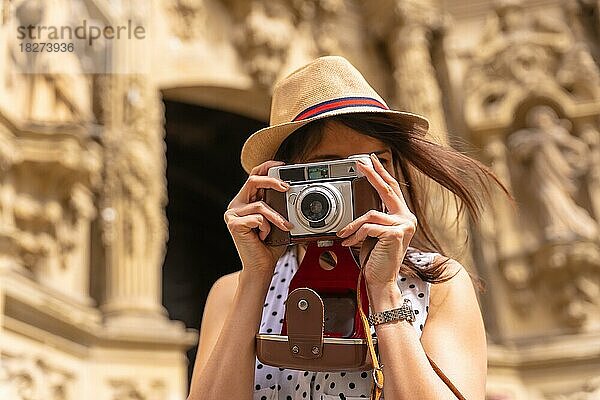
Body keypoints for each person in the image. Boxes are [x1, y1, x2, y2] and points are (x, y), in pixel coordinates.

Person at [187, 56, 507, 400]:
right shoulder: (232, 292)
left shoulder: (439, 282)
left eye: (376, 163)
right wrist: (255, 279)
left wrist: (384, 293)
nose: (357, 182)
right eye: (329, 167)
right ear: (281, 179)